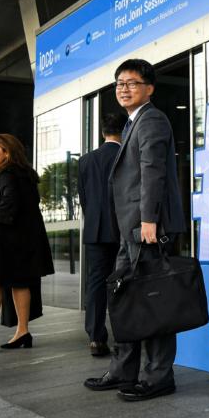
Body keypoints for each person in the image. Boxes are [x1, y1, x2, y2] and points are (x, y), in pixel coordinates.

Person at [84, 59, 186, 401]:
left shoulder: (152, 119)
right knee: (125, 297)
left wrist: (148, 221)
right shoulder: (132, 124)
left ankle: (158, 375)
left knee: (152, 299)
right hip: (132, 229)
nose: (123, 88)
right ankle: (123, 368)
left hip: (147, 228)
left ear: (149, 88)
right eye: (119, 83)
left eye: (131, 82)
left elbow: (152, 171)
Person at [0, 134, 55, 354]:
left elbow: (10, 198)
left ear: (7, 152)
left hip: (4, 241)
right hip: (22, 240)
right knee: (20, 282)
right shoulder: (25, 174)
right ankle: (22, 331)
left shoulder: (6, 172)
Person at [78, 111, 125, 358]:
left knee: (96, 283)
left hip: (95, 230)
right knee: (125, 280)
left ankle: (96, 338)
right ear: (124, 130)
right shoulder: (126, 154)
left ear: (103, 132)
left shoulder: (85, 161)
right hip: (123, 229)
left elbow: (84, 200)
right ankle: (126, 333)